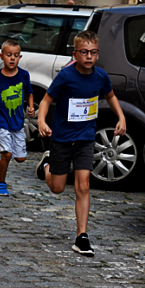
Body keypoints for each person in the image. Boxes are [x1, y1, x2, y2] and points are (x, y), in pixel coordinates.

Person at [36, 30, 126, 256]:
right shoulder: (66, 76)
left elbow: (110, 96)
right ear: (75, 54)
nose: (89, 56)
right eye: (84, 52)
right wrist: (41, 121)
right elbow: (47, 100)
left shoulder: (101, 76)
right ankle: (47, 165)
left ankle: (82, 236)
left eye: (93, 52)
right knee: (57, 188)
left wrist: (121, 117)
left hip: (86, 137)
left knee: (83, 185)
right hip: (62, 138)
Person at [0, 39, 34, 196]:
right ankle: (1, 184)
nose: (12, 58)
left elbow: (29, 93)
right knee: (7, 154)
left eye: (16, 55)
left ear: (20, 57)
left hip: (17, 122)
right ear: (1, 56)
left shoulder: (24, 75)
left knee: (20, 159)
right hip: (1, 121)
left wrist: (31, 107)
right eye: (9, 55)